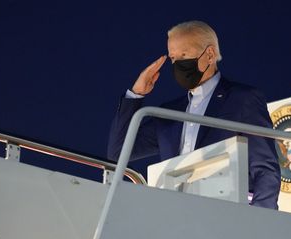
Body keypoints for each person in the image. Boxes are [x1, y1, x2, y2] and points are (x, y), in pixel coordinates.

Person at [107, 20, 281, 209]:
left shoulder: (242, 100)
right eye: (173, 58)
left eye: (184, 55)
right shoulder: (168, 114)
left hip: (227, 211)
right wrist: (135, 94)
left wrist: (259, 219)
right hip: (177, 215)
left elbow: (265, 169)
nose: (178, 64)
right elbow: (118, 152)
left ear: (210, 54)